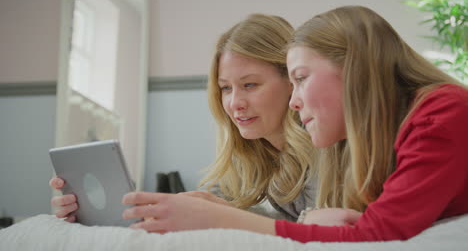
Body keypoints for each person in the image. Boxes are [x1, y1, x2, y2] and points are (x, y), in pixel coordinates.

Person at [120, 5, 468, 242]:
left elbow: (377, 233)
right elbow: (372, 225)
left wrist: (221, 219)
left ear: (356, 72)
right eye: (225, 89)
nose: (294, 101)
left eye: (300, 78)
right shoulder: (355, 134)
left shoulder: (441, 113)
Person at [49, 14, 321, 223]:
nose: (235, 103)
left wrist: (223, 215)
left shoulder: (323, 148)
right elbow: (208, 205)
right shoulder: (248, 156)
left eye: (250, 85)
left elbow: (320, 231)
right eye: (226, 88)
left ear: (291, 79)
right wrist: (135, 211)